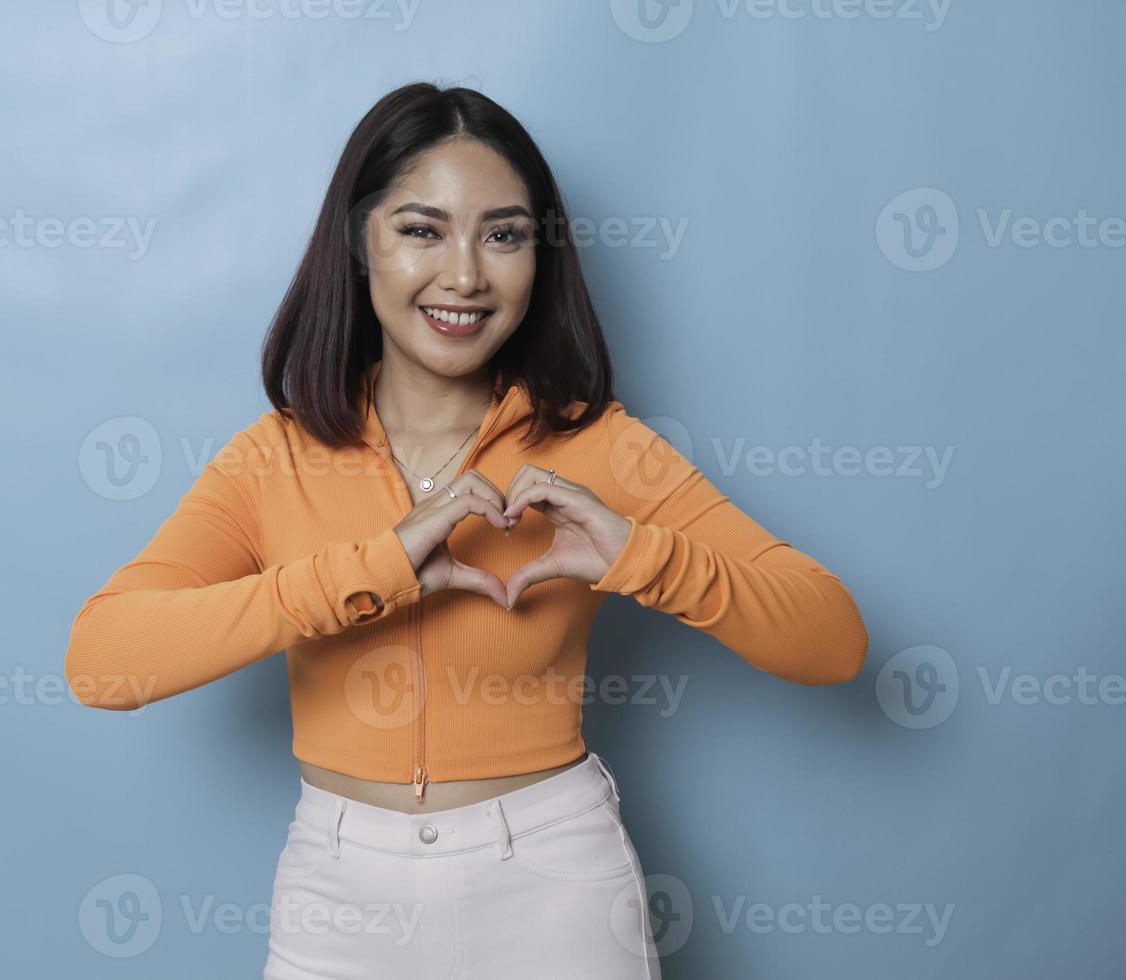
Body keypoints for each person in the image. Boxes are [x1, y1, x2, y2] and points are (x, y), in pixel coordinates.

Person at [63, 81, 869, 979]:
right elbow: (103, 661)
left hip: (555, 888)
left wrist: (643, 558)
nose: (465, 275)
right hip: (338, 898)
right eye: (421, 229)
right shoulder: (275, 458)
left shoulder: (598, 447)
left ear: (540, 256)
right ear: (358, 243)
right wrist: (376, 568)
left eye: (505, 234)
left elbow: (831, 640)